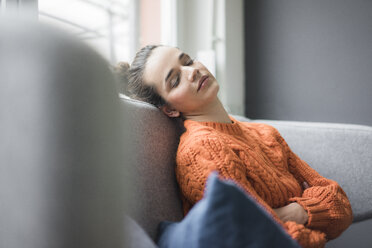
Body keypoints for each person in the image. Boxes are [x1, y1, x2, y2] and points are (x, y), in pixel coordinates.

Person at [116, 45, 353, 248]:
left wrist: (296, 212)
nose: (192, 72)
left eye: (187, 61)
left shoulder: (264, 133)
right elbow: (260, 238)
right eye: (175, 80)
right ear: (170, 109)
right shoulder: (202, 151)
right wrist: (314, 216)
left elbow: (340, 205)